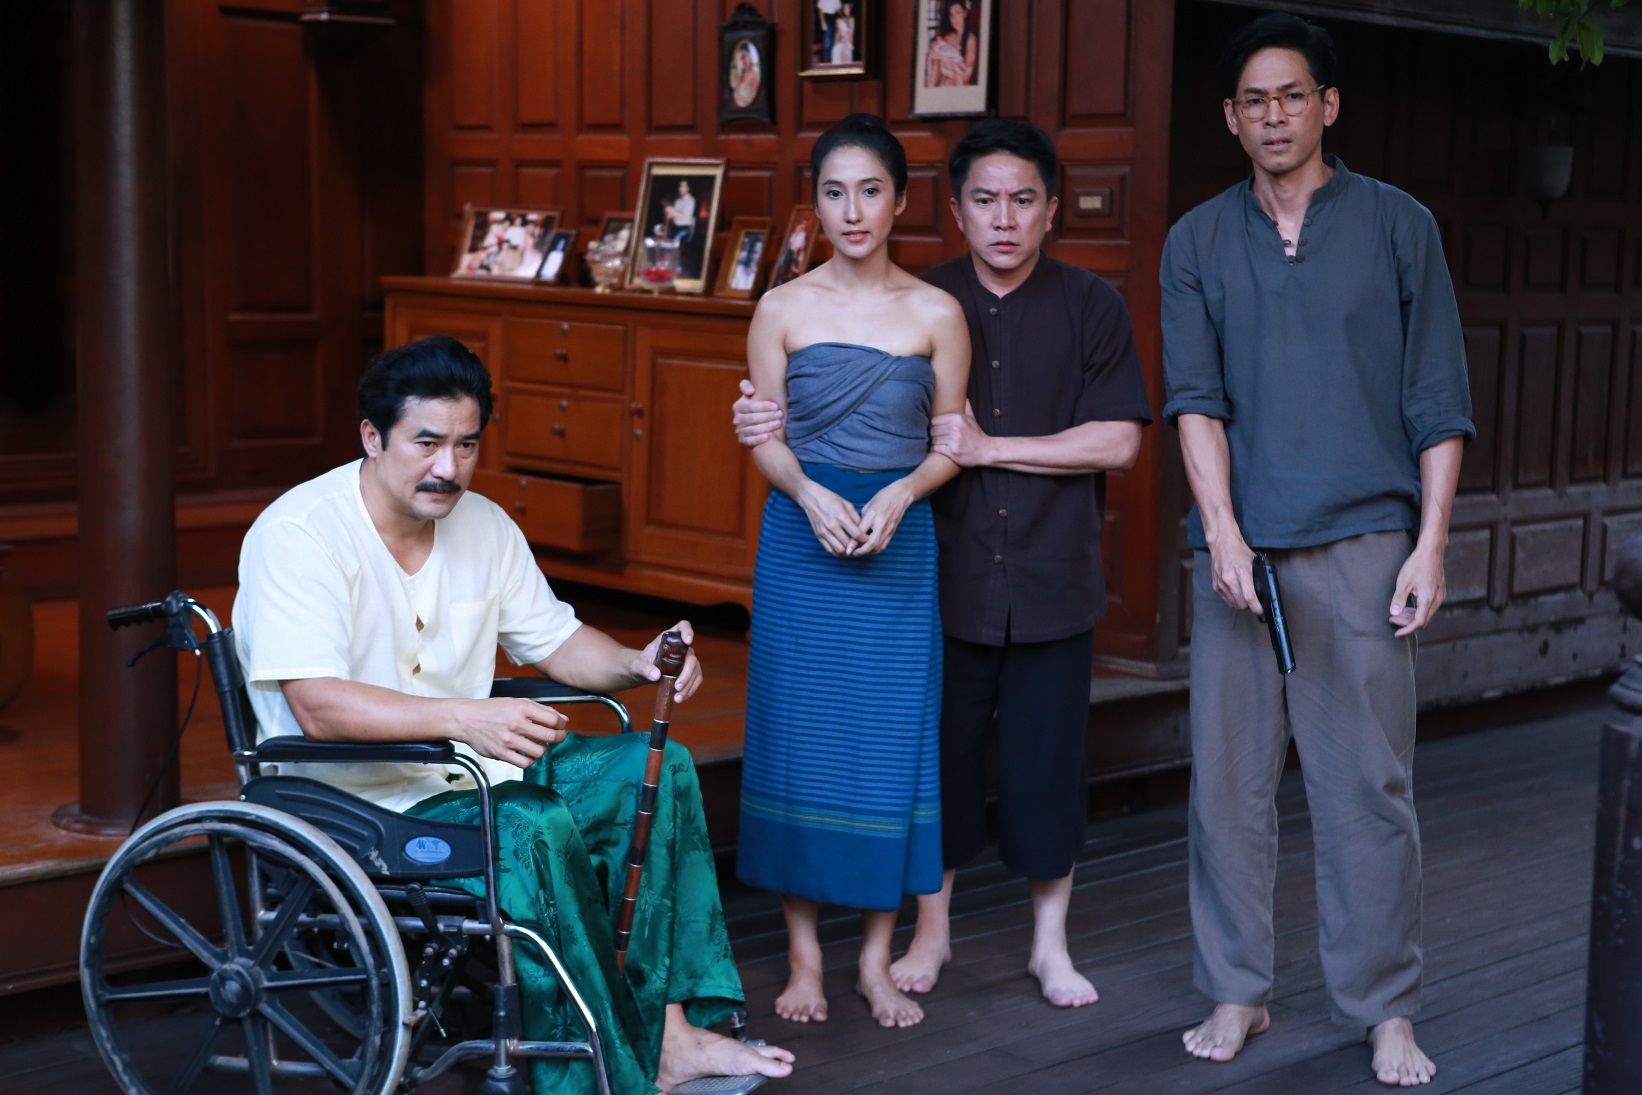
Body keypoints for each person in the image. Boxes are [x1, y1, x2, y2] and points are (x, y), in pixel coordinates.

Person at [233, 335, 794, 1095]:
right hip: (359, 803)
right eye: (426, 442)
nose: (448, 467)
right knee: (530, 822)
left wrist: (635, 660)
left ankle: (671, 1033)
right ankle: (588, 1071)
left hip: (476, 773)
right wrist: (466, 717)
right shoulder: (300, 533)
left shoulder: (485, 524)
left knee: (650, 771)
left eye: (466, 445)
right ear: (372, 436)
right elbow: (318, 706)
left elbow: (557, 641)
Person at [733, 118, 1151, 1011]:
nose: (1004, 217)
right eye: (835, 192)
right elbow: (775, 425)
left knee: (969, 757)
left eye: (1023, 200)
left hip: (974, 555)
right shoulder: (838, 303)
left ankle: (964, 952)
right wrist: (790, 468)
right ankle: (865, 945)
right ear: (955, 209)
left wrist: (943, 472)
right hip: (872, 554)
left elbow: (1014, 442)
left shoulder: (1008, 308)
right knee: (861, 749)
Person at [1159, 13, 1471, 1087]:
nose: (1274, 116)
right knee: (1226, 788)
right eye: (1254, 100)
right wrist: (1221, 531)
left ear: (1327, 106)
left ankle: (1385, 1008)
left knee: (1367, 787)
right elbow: (1195, 400)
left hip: (1365, 542)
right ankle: (1237, 988)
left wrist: (1429, 546)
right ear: (1230, 118)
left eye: (1292, 95)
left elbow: (1437, 400)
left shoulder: (1396, 225)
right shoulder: (1197, 240)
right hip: (1240, 554)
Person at [735, 113, 970, 1030]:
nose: (853, 209)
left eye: (870, 190)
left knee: (887, 745)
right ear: (817, 204)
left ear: (900, 200)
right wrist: (806, 492)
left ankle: (875, 960)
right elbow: (765, 437)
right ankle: (805, 957)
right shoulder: (781, 308)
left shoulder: (937, 312)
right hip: (803, 543)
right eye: (834, 192)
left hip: (898, 546)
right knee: (797, 737)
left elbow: (951, 444)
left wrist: (904, 492)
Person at [924, 1, 977, 88]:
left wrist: (949, 64)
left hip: (958, 87)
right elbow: (938, 49)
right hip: (943, 85)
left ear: (965, 13)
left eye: (957, 13)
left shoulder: (970, 39)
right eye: (951, 15)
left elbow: (967, 74)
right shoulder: (950, 36)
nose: (954, 19)